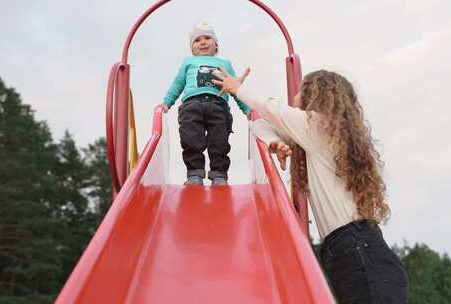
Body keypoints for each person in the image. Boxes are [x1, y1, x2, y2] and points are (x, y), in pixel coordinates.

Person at [212, 68, 409, 303]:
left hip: (359, 252)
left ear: (314, 95)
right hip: (358, 251)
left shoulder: (318, 126)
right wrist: (275, 141)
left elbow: (271, 110)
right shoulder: (319, 136)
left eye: (300, 90)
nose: (294, 96)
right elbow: (261, 126)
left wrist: (237, 88)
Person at [158, 22, 250, 186]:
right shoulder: (188, 62)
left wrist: (247, 108)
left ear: (216, 46)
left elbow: (235, 86)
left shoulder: (225, 63)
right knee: (190, 139)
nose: (203, 42)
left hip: (218, 106)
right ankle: (194, 174)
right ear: (192, 48)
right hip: (191, 106)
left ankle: (219, 175)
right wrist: (167, 102)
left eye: (207, 38)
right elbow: (177, 84)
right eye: (197, 40)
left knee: (219, 142)